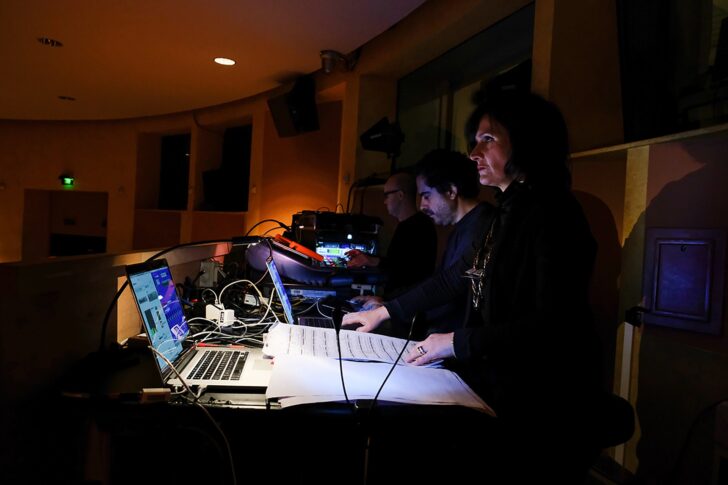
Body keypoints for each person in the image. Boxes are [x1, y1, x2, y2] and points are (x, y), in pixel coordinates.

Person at [345, 92, 606, 482]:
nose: (474, 153)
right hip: (506, 387)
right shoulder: (508, 211)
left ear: (526, 141)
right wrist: (384, 311)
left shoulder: (553, 213)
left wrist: (453, 342)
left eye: (488, 139)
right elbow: (454, 278)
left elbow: (552, 325)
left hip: (540, 404)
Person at [347, 149, 494, 338]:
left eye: (427, 196)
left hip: (456, 343)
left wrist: (386, 310)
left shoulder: (483, 226)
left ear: (451, 191)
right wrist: (386, 300)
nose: (422, 205)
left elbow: (450, 284)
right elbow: (438, 278)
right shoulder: (464, 227)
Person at [346, 171, 437, 298]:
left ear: (400, 195)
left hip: (406, 303)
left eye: (387, 195)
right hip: (396, 301)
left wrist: (384, 301)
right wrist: (368, 258)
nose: (385, 201)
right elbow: (397, 262)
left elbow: (408, 271)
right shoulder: (407, 225)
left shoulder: (420, 227)